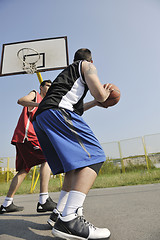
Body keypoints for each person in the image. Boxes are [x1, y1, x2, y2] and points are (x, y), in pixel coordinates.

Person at [33, 49, 112, 239]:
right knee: (94, 156)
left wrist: (94, 102)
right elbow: (102, 95)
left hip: (42, 118)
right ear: (90, 60)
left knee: (73, 168)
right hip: (57, 112)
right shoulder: (87, 66)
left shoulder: (66, 76)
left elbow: (77, 108)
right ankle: (70, 219)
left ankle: (58, 214)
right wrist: (106, 93)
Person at [0, 80, 57, 214]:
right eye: (47, 85)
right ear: (41, 87)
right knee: (46, 159)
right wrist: (39, 104)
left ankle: (6, 204)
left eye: (51, 86)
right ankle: (44, 200)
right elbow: (21, 100)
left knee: (23, 170)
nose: (50, 88)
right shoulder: (35, 95)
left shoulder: (47, 105)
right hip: (27, 137)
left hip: (22, 138)